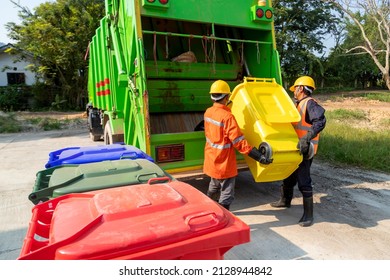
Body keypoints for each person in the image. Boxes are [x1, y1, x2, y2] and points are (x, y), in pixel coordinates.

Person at [270, 76, 326, 227]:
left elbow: (320, 121)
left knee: (303, 181)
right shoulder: (298, 104)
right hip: (295, 149)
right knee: (288, 176)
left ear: (301, 88)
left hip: (305, 150)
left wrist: (307, 138)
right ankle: (285, 200)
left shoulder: (310, 104)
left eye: (295, 88)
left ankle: (308, 215)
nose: (294, 91)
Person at [203, 80, 266, 210]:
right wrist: (258, 156)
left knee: (214, 184)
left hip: (211, 158)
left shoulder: (208, 112)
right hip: (224, 161)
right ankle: (223, 215)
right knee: (226, 192)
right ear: (226, 97)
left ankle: (208, 209)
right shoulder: (227, 117)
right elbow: (239, 142)